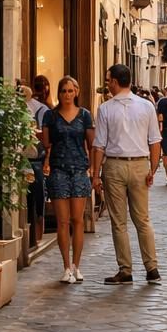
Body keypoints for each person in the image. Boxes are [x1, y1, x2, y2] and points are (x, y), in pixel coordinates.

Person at [90, 64, 162, 284]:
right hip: (140, 164)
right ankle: (152, 268)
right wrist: (153, 168)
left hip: (114, 166)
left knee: (119, 221)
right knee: (142, 219)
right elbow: (155, 141)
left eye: (108, 80)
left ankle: (125, 270)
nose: (107, 84)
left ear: (114, 82)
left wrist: (95, 174)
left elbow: (99, 145)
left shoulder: (105, 109)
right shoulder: (147, 106)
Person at [42, 76, 96, 284]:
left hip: (79, 171)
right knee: (62, 222)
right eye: (63, 91)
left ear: (77, 92)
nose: (67, 95)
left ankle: (77, 265)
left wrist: (93, 169)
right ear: (59, 92)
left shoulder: (85, 115)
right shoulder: (50, 116)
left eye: (70, 91)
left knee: (78, 220)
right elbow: (46, 142)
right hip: (58, 171)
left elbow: (91, 144)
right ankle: (66, 267)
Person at [25, 77, 52, 248]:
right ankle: (35, 233)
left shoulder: (41, 109)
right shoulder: (43, 108)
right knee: (37, 195)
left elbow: (45, 138)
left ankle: (36, 233)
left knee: (37, 194)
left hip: (35, 159)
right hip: (33, 158)